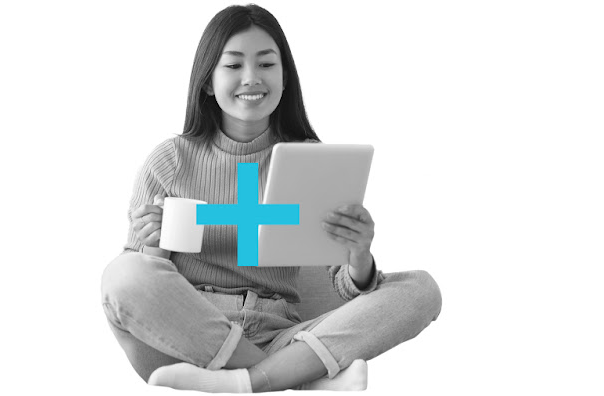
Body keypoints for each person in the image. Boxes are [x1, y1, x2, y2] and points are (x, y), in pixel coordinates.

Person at [101, 3, 442, 393]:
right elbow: (139, 289)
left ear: (284, 80)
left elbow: (343, 289)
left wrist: (359, 254)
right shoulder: (169, 161)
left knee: (421, 289)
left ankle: (255, 378)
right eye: (233, 66)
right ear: (208, 81)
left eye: (266, 64)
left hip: (280, 330)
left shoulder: (311, 160)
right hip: (190, 339)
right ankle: (287, 375)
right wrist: (152, 244)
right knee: (123, 273)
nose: (251, 78)